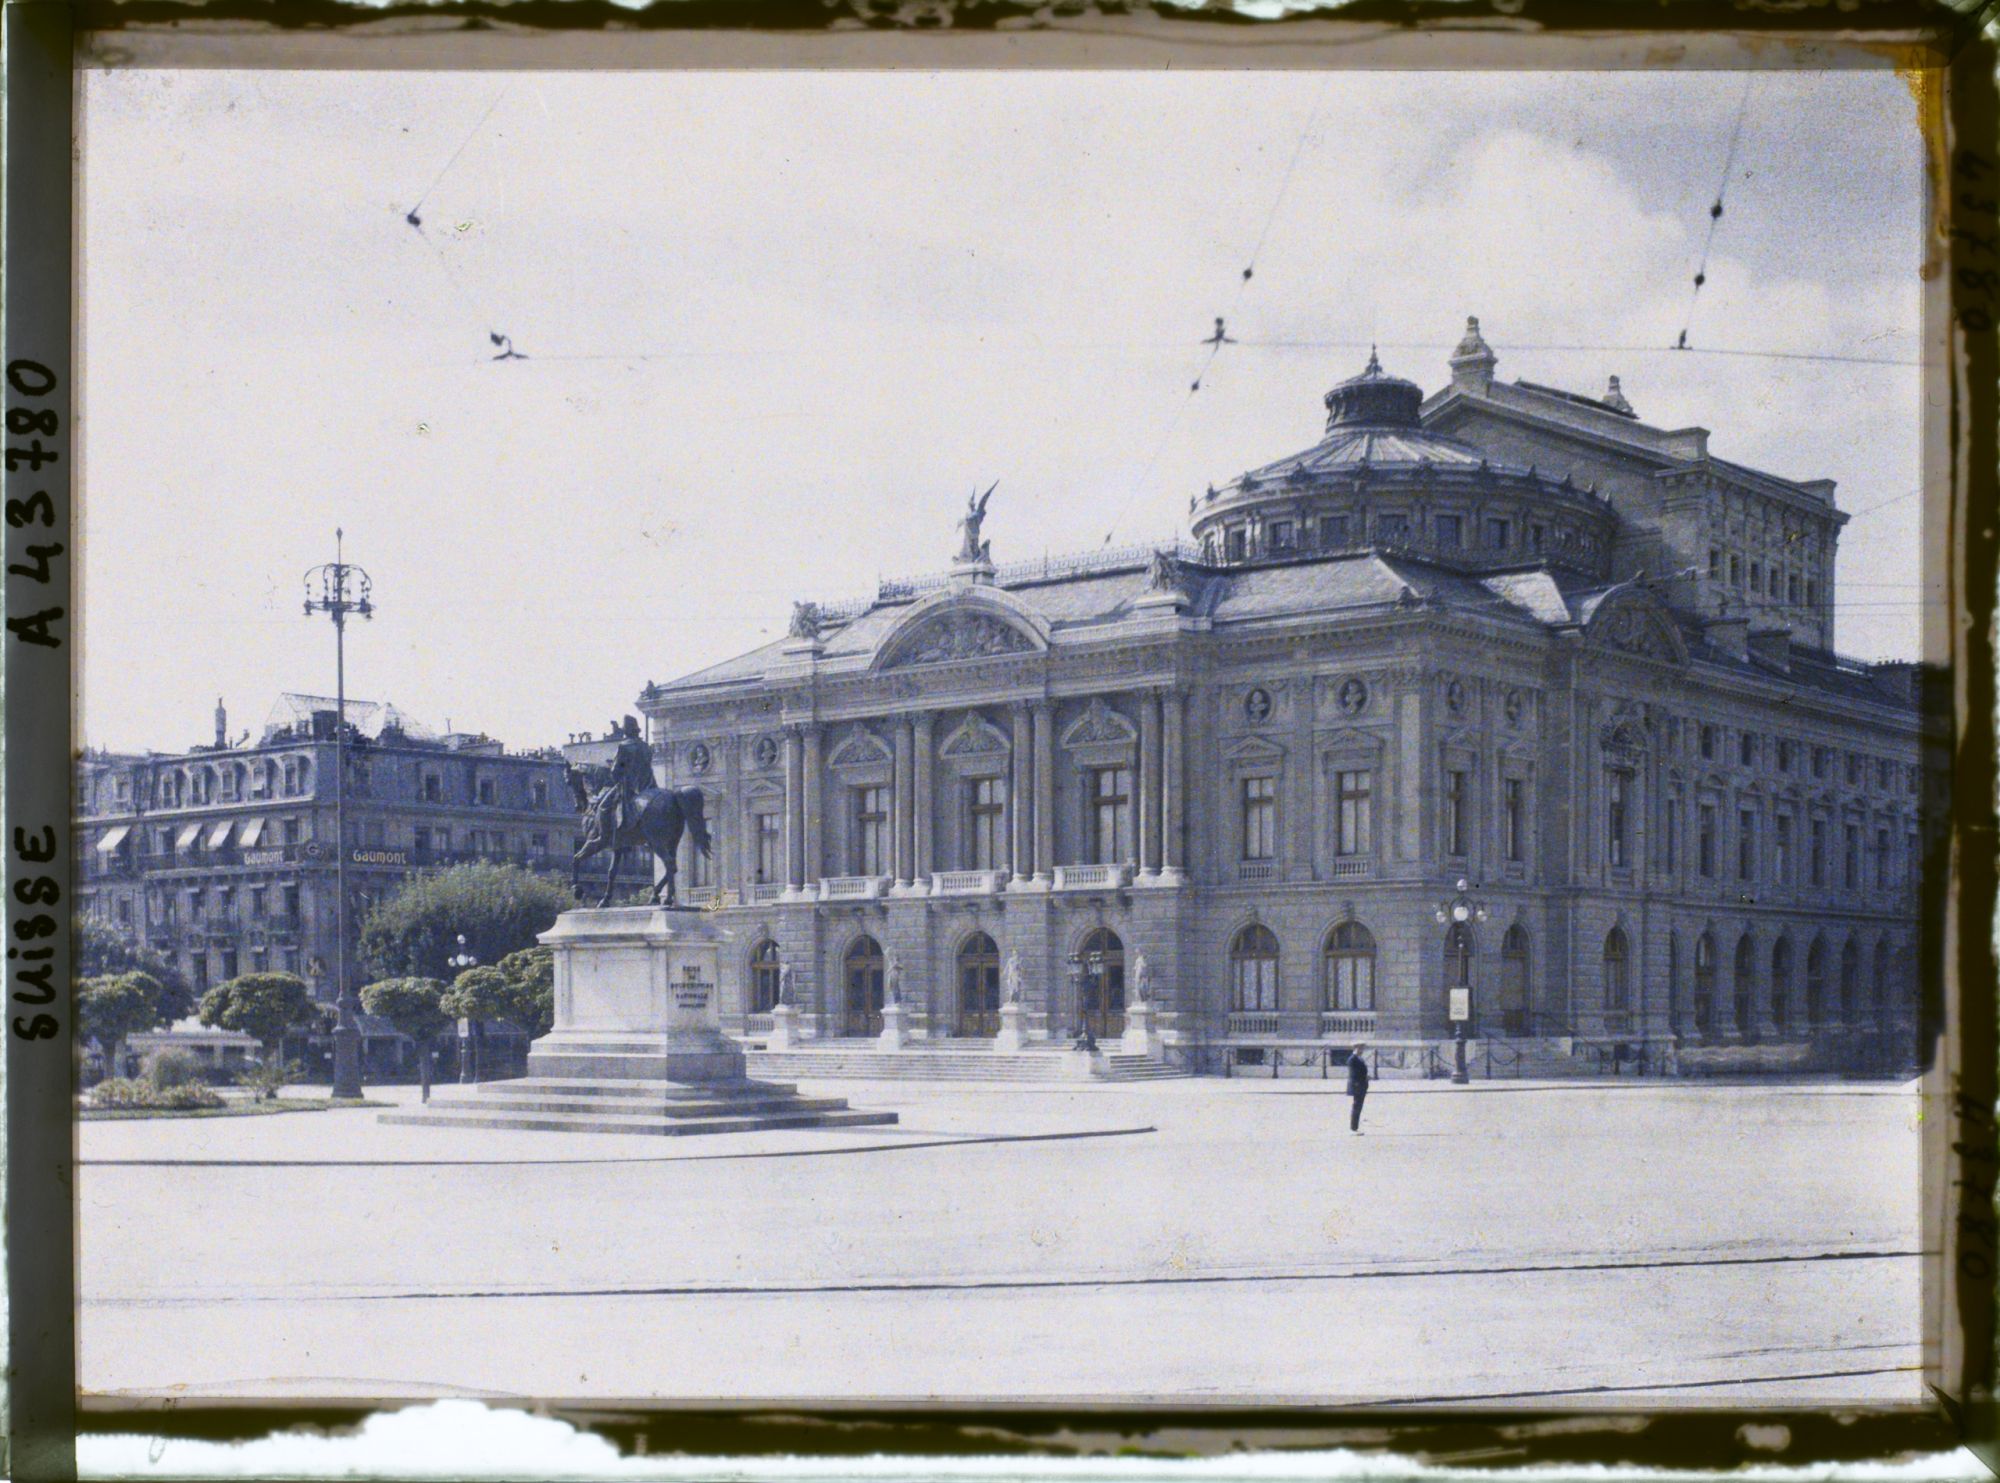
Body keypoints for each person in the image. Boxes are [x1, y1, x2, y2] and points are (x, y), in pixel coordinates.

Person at [1345, 1043, 1370, 1134]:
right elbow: (1353, 1074)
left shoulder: (1359, 1059)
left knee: (1358, 1107)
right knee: (1356, 1107)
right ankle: (1353, 1128)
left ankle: (1355, 1127)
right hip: (1357, 1086)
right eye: (1360, 1049)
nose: (1362, 1051)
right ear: (1355, 1049)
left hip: (1361, 1085)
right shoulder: (1352, 1059)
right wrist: (1362, 1079)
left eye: (1362, 1049)